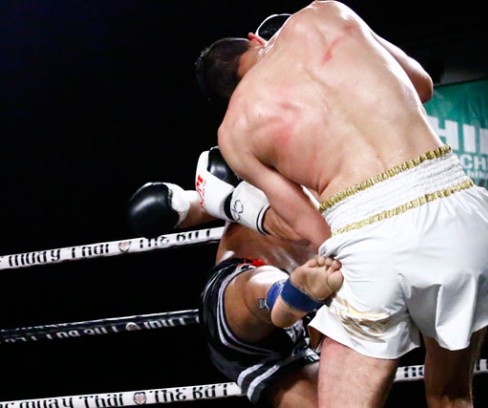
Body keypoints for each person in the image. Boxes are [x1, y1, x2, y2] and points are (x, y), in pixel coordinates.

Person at [195, 2, 488, 407]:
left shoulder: (236, 130)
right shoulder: (325, 13)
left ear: (228, 99)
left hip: (368, 232)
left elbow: (315, 232)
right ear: (256, 39)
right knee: (451, 396)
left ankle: (288, 302)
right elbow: (421, 85)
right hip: (458, 208)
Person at [126, 146, 343, 407]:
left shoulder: (350, 185)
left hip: (303, 323)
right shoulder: (261, 171)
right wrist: (177, 205)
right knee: (259, 282)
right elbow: (204, 200)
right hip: (242, 288)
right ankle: (284, 297)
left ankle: (292, 297)